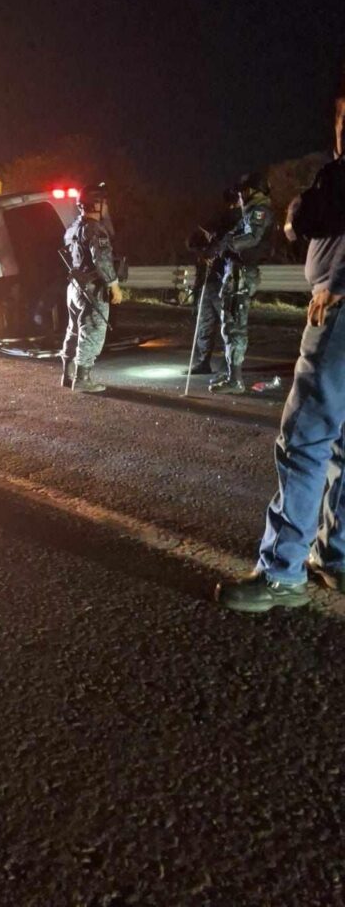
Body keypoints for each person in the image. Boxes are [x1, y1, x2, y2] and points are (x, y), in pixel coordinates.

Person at [216, 143, 345, 611]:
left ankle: (280, 571)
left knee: (305, 441)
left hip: (340, 311)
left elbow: (303, 219)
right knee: (344, 443)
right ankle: (336, 556)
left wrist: (337, 282)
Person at [206, 173, 274, 394]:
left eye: (243, 191)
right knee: (230, 323)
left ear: (252, 191)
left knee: (235, 325)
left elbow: (252, 238)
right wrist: (219, 243)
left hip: (242, 275)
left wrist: (227, 244)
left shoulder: (260, 211)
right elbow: (234, 235)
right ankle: (231, 375)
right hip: (235, 273)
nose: (240, 196)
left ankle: (235, 380)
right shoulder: (249, 213)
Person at [60, 183, 123, 393]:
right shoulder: (95, 228)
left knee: (74, 330)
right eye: (104, 202)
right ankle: (82, 379)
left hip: (75, 286)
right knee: (93, 331)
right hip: (93, 287)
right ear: (96, 204)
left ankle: (67, 375)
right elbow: (102, 261)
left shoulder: (73, 228)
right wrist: (114, 287)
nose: (106, 207)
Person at [186, 189, 239, 375]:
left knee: (227, 323)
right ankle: (203, 362)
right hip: (209, 279)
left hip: (225, 279)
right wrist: (203, 250)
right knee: (205, 322)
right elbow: (193, 241)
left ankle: (229, 366)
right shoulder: (218, 219)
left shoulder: (238, 221)